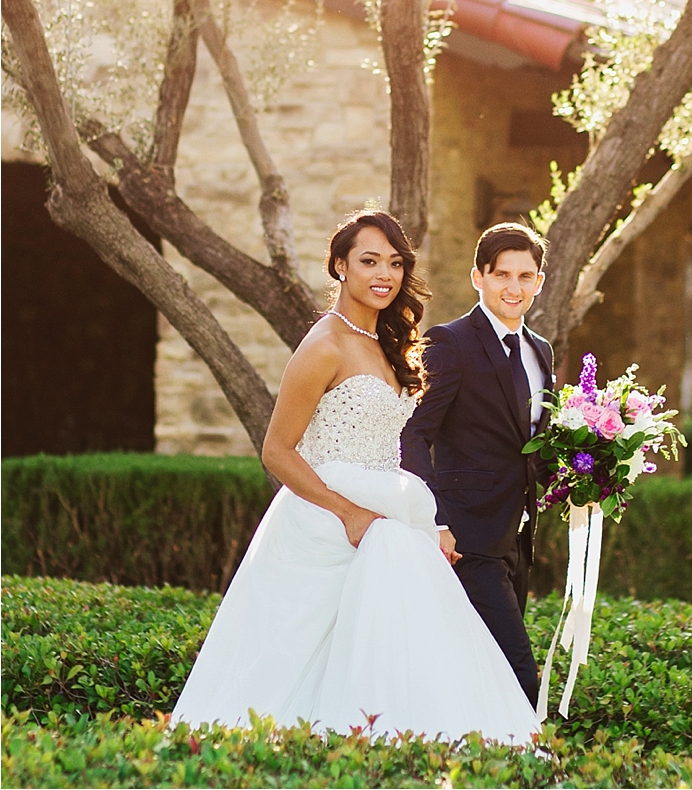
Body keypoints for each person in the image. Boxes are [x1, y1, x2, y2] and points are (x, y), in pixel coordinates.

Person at [172, 211, 541, 744]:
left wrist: (424, 523)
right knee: (298, 667)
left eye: (394, 263)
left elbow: (390, 447)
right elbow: (277, 451)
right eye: (369, 261)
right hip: (327, 523)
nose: (383, 274)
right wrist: (348, 513)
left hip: (386, 518)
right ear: (340, 266)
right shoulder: (324, 345)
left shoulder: (386, 341)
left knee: (397, 658)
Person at [401, 222, 554, 710]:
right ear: (478, 277)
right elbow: (413, 433)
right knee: (518, 674)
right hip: (465, 539)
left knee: (485, 669)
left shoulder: (540, 351)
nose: (514, 287)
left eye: (525, 276)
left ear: (539, 282)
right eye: (502, 275)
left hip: (519, 537)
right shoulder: (450, 342)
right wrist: (436, 520)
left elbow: (531, 442)